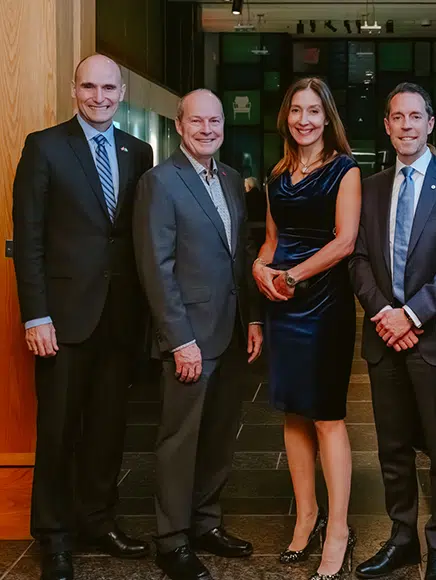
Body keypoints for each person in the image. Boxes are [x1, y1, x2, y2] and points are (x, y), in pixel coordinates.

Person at [12, 54, 152, 580]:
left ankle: (98, 520)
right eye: (89, 86)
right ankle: (54, 536)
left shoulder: (138, 151)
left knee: (109, 429)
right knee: (59, 431)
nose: (99, 96)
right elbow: (28, 240)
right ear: (75, 89)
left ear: (122, 93)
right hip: (63, 320)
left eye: (109, 88)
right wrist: (36, 316)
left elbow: (134, 234)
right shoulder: (45, 146)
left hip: (120, 318)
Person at [349, 82, 436, 580]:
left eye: (415, 117)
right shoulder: (371, 185)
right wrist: (385, 312)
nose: (406, 125)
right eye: (396, 117)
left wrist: (412, 315)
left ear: (431, 124)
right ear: (387, 126)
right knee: (392, 449)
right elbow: (358, 259)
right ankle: (402, 538)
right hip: (384, 339)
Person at [133, 89, 263, 580]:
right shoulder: (159, 183)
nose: (207, 129)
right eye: (197, 121)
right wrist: (178, 339)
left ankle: (206, 523)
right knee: (179, 439)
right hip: (188, 338)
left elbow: (240, 255)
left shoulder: (231, 179)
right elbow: (156, 268)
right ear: (179, 126)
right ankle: (171, 539)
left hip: (229, 332)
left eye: (215, 121)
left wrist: (252, 319)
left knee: (218, 436)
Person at [251, 77, 361, 580]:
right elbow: (273, 240)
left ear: (327, 117)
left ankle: (338, 528)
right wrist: (260, 268)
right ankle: (307, 516)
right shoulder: (276, 175)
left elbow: (345, 242)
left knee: (326, 414)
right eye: (297, 110)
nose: (304, 120)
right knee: (293, 411)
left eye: (314, 111)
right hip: (282, 299)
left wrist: (293, 276)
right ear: (287, 117)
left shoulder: (346, 169)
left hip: (323, 301)